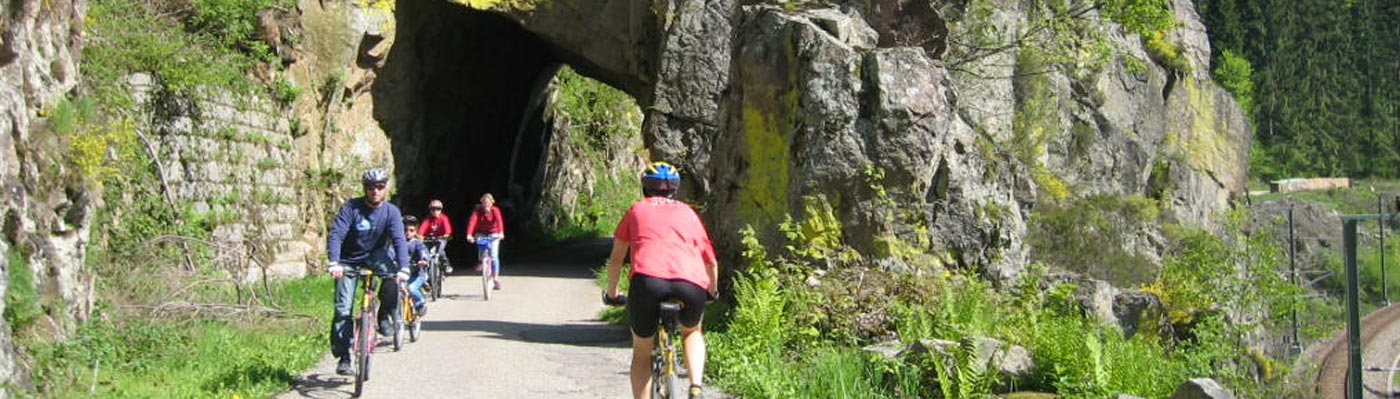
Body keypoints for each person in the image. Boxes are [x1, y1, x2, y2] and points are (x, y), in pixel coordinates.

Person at [603, 162, 719, 399]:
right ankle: (695, 386)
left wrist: (612, 294)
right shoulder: (689, 212)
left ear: (645, 186)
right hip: (691, 283)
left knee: (642, 352)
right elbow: (711, 261)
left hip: (647, 282)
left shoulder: (636, 209)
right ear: (675, 189)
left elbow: (616, 260)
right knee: (692, 332)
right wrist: (712, 291)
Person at [326, 168, 411, 376]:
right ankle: (344, 356)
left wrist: (404, 267)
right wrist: (334, 262)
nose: (375, 190)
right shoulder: (351, 207)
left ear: (385, 188)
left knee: (393, 280)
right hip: (348, 259)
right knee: (342, 310)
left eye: (380, 186)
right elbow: (336, 233)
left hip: (376, 256)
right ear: (365, 188)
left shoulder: (391, 211)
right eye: (371, 187)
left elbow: (399, 240)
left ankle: (384, 314)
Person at [465, 193, 505, 290]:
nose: (486, 204)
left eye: (488, 202)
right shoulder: (477, 211)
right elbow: (472, 222)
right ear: (481, 203)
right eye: (484, 202)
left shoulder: (495, 210)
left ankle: (495, 278)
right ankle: (481, 261)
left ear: (492, 203)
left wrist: (501, 233)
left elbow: (499, 221)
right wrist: (469, 234)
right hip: (481, 233)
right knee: (480, 243)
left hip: (494, 233)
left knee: (494, 255)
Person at [402, 215, 430, 317]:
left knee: (411, 288)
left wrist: (423, 260)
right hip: (401, 273)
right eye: (405, 230)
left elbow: (423, 252)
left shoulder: (417, 243)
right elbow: (390, 252)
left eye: (411, 230)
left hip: (417, 274)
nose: (407, 233)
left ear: (415, 231)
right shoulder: (397, 243)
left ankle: (420, 303)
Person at [417, 199, 454, 274]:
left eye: (438, 209)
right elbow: (421, 230)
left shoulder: (444, 218)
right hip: (429, 239)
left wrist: (446, 235)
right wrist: (420, 236)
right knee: (424, 252)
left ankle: (445, 264)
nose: (435, 211)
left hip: (440, 238)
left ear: (441, 210)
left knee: (440, 251)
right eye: (433, 209)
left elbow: (448, 230)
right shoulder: (428, 219)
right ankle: (425, 270)